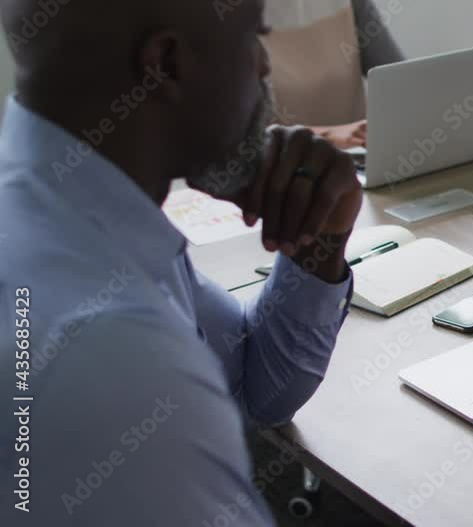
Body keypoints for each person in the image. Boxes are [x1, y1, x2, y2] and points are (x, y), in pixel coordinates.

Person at [0, 0, 361, 524]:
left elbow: (254, 390)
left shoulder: (72, 209)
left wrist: (318, 241)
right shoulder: (112, 357)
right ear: (166, 64)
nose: (264, 65)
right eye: (252, 38)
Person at [263, 0, 405, 149]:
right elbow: (243, 141)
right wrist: (327, 135)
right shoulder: (240, 18)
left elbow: (400, 81)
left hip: (359, 161)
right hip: (288, 168)